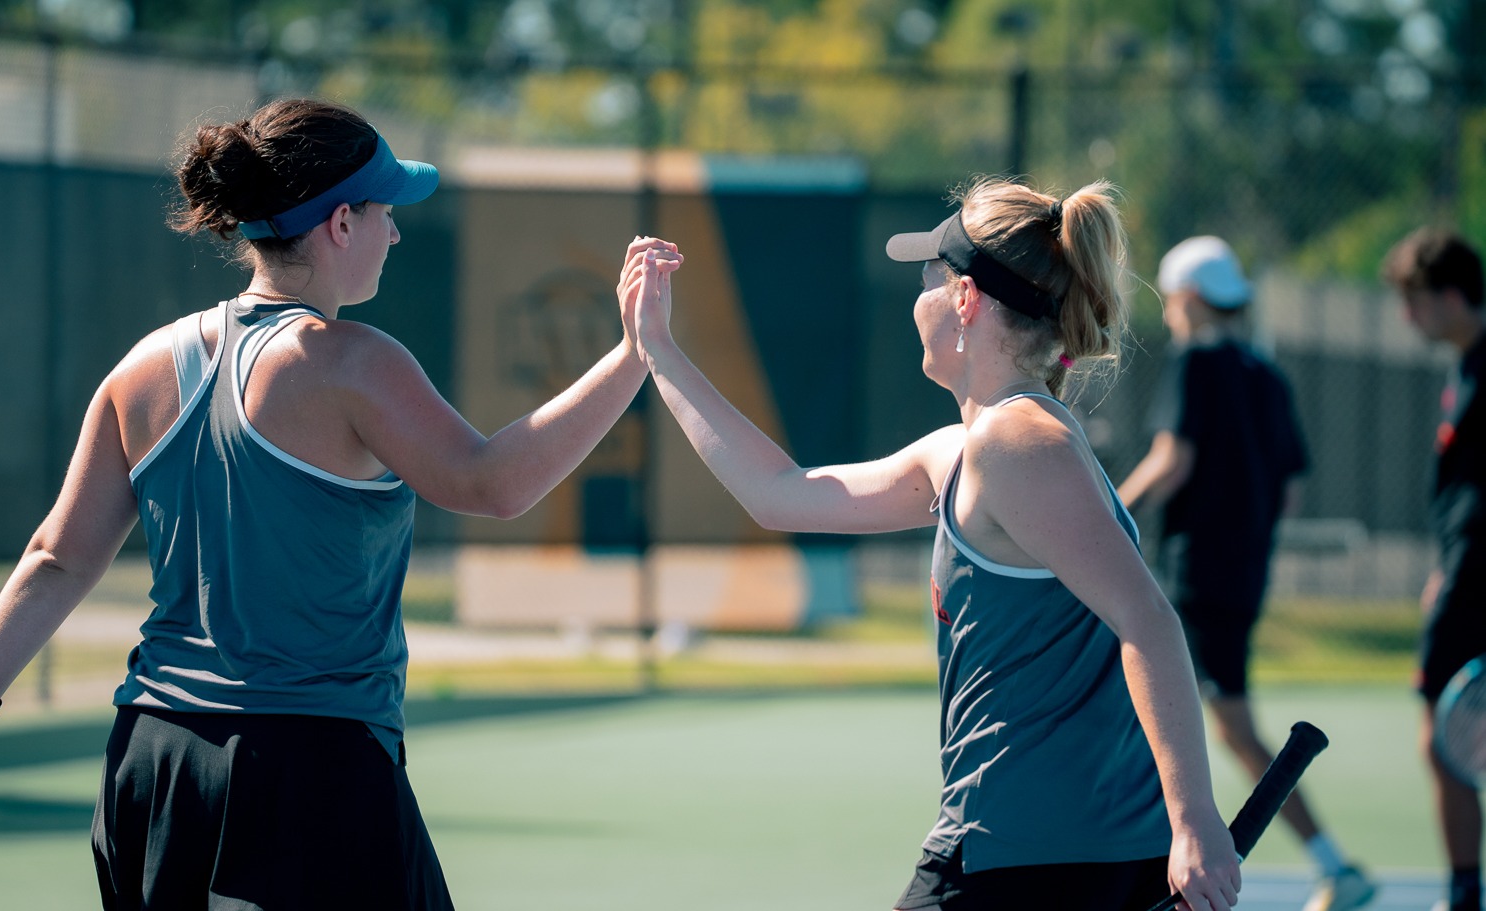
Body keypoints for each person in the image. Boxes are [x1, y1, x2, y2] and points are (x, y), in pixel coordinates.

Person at [0, 97, 680, 909]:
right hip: (308, 773)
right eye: (385, 212)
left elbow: (54, 561)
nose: (396, 232)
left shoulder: (142, 368)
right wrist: (632, 355)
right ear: (340, 224)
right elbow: (492, 482)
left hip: (152, 769)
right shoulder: (349, 363)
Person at [622, 179, 1242, 910]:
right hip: (1029, 849)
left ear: (966, 300)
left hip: (1034, 859)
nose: (917, 299)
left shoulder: (1019, 445)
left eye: (928, 280)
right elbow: (781, 493)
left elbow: (1147, 620)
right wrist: (657, 349)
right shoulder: (971, 451)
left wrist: (1193, 817)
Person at [1116, 237, 1374, 911]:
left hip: (1195, 572)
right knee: (1207, 720)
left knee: (1198, 717)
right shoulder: (1267, 375)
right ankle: (1326, 862)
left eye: (1171, 302)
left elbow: (1173, 459)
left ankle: (1332, 865)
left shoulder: (1195, 362)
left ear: (1191, 302)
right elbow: (1288, 490)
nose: (1170, 315)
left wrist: (1109, 511)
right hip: (1242, 573)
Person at [1380, 228, 1486, 911]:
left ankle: (1463, 894)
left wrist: (1459, 571)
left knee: (1442, 737)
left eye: (1414, 301)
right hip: (1463, 574)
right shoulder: (1467, 366)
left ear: (1450, 296)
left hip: (1475, 585)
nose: (1407, 316)